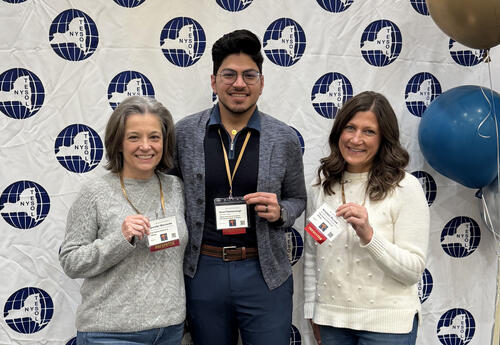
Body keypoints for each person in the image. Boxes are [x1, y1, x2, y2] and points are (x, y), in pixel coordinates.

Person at [174, 29, 306, 345]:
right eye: (229, 74)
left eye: (249, 75)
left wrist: (280, 212)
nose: (239, 83)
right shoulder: (184, 134)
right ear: (213, 81)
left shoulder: (283, 137)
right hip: (203, 269)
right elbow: (164, 194)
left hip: (263, 271)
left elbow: (298, 198)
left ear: (261, 82)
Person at [59, 96, 188, 345]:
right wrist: (120, 239)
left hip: (170, 330)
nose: (145, 146)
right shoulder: (95, 192)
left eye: (154, 137)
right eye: (133, 137)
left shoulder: (176, 188)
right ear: (118, 142)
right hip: (109, 333)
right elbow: (71, 261)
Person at [304, 91, 430, 345]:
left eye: (369, 131)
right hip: (331, 323)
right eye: (350, 128)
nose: (356, 139)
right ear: (338, 131)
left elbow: (412, 271)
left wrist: (369, 236)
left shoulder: (406, 188)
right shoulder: (321, 187)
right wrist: (312, 313)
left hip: (388, 326)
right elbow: (310, 256)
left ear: (384, 138)